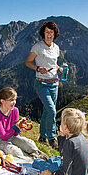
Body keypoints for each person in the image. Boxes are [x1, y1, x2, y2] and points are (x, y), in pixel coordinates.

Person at [25, 21, 63, 149]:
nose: (49, 34)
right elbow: (28, 62)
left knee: (48, 110)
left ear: (54, 34)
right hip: (41, 83)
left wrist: (59, 68)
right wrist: (38, 68)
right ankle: (52, 138)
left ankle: (42, 137)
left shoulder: (56, 48)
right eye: (47, 32)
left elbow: (54, 63)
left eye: (51, 32)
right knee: (52, 110)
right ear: (43, 33)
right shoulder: (38, 47)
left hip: (54, 83)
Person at [0, 87, 47, 160]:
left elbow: (16, 133)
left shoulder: (15, 110)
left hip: (12, 136)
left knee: (29, 143)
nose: (14, 102)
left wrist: (20, 128)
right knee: (14, 151)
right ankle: (28, 158)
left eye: (15, 99)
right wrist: (16, 126)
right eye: (11, 100)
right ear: (2, 101)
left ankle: (38, 154)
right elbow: (4, 137)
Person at [40, 108, 88, 175]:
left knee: (37, 163)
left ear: (65, 126)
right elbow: (63, 154)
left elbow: (66, 172)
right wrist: (62, 136)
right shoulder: (82, 138)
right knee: (54, 159)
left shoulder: (70, 143)